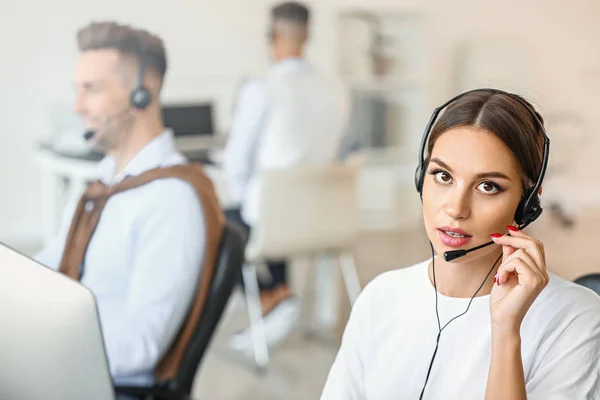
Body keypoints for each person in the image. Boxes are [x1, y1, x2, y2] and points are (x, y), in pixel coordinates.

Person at [321, 89, 600, 399]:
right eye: (442, 176)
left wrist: (506, 333)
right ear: (420, 178)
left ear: (528, 202)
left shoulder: (576, 319)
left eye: (487, 186)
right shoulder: (380, 298)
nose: (456, 208)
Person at [35, 21, 214, 388]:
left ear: (141, 96)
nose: (77, 106)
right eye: (77, 90)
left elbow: (141, 344)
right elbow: (47, 270)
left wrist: (46, 355)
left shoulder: (170, 199)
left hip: (99, 383)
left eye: (91, 90)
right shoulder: (104, 187)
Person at [223, 1, 349, 349]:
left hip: (274, 221)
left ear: (272, 36)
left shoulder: (261, 89)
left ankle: (271, 297)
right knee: (264, 209)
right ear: (308, 34)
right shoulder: (336, 88)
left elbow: (236, 163)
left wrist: (246, 197)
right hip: (324, 219)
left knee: (215, 224)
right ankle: (280, 295)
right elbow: (339, 151)